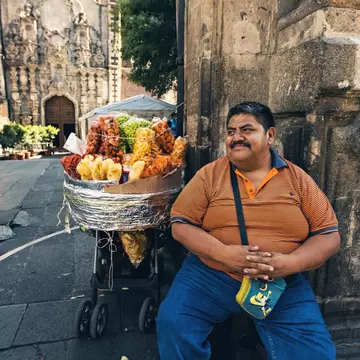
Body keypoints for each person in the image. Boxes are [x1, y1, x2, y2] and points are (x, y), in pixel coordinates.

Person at [156, 101, 340, 359]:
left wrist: (290, 263)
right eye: (231, 131)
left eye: (246, 129)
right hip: (211, 275)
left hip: (279, 284)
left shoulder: (297, 179)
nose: (236, 137)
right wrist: (223, 254)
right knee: (173, 323)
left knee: (316, 354)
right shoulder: (209, 175)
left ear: (270, 136)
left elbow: (329, 234)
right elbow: (180, 224)